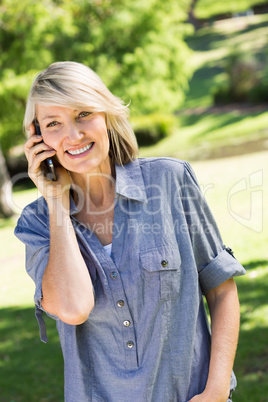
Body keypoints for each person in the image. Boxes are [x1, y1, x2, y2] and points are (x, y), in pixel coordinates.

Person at [15, 61, 246, 402]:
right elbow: (74, 308)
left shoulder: (169, 180)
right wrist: (56, 202)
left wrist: (215, 391)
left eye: (83, 114)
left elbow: (222, 291)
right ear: (38, 138)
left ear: (106, 113)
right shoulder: (37, 223)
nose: (73, 135)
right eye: (53, 124)